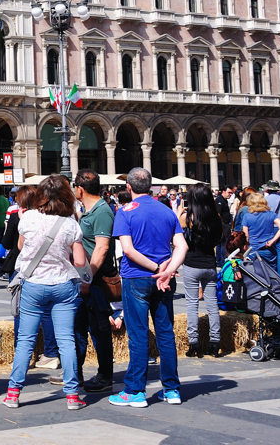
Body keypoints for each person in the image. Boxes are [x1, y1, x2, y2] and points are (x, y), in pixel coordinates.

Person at [2, 175, 88, 410]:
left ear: (40, 195)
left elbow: (20, 247)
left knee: (25, 341)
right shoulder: (70, 222)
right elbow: (80, 261)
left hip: (33, 284)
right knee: (66, 340)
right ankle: (72, 395)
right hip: (63, 285)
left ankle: (13, 393)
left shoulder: (28, 217)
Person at [108, 168, 188, 408]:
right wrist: (168, 269)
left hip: (137, 277)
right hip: (165, 279)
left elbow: (129, 250)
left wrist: (155, 268)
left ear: (129, 188)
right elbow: (182, 246)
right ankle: (172, 389)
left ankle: (135, 390)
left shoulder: (125, 212)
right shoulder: (166, 210)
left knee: (138, 334)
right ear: (151, 186)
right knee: (166, 333)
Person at [71, 169, 116, 393]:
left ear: (80, 189)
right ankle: (74, 373)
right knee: (78, 327)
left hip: (96, 281)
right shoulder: (88, 211)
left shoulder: (102, 212)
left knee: (99, 330)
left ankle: (105, 375)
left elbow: (102, 247)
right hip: (85, 279)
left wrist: (88, 277)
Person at [178, 183, 224, 358]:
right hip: (209, 264)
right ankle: (215, 341)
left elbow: (175, 234)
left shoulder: (188, 218)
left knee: (192, 305)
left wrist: (179, 211)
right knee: (212, 305)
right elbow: (218, 239)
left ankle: (194, 342)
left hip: (191, 263)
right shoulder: (216, 217)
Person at [239, 191, 280, 272]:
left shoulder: (247, 216)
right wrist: (272, 241)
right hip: (268, 249)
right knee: (271, 273)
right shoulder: (271, 214)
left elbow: (246, 235)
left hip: (253, 249)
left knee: (256, 274)